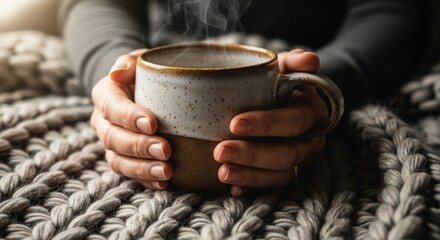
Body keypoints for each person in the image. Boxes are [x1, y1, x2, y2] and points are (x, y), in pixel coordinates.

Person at [59, 0, 428, 196]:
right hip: (152, 71)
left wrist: (321, 87)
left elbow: (392, 12)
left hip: (321, 72)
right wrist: (115, 78)